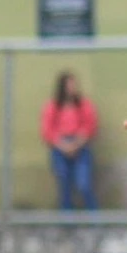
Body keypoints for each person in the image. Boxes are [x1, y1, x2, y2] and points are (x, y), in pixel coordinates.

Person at [41, 71, 99, 211]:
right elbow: (47, 130)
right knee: (64, 184)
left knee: (83, 183)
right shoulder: (53, 106)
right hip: (60, 147)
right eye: (69, 85)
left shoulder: (83, 104)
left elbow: (90, 125)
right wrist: (63, 145)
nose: (72, 88)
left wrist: (77, 143)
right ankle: (67, 219)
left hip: (80, 146)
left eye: (74, 85)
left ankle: (94, 217)